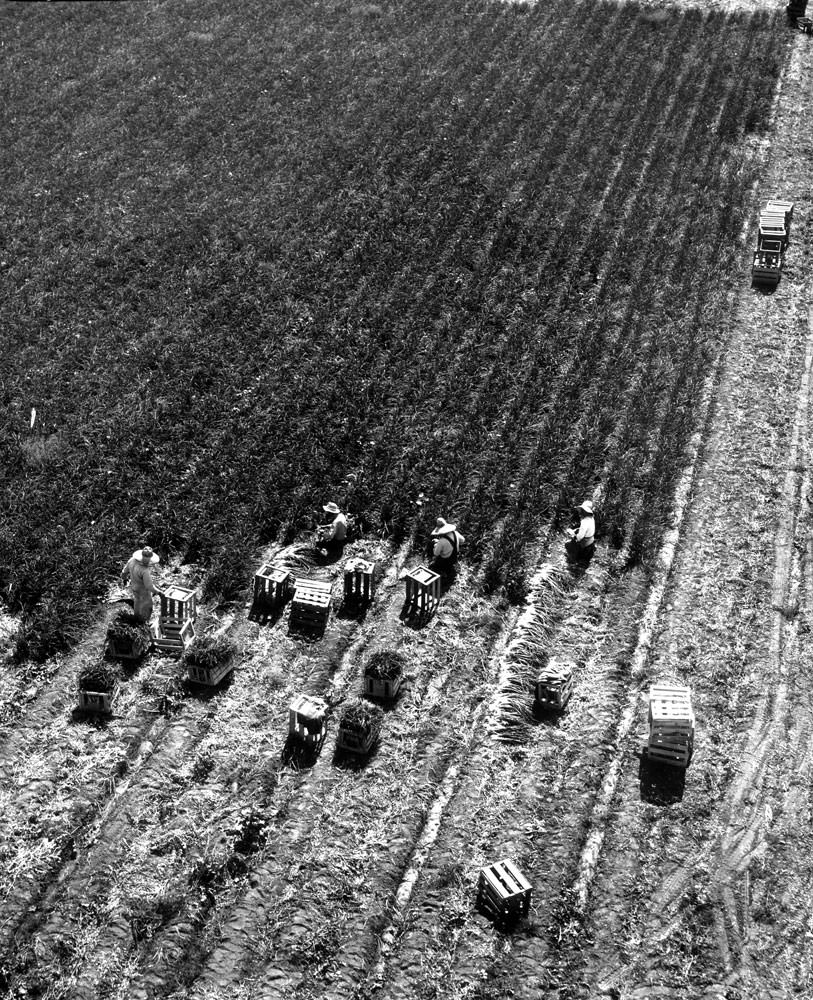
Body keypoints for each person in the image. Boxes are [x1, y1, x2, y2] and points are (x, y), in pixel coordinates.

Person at [121, 545, 160, 624]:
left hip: (134, 587)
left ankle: (136, 618)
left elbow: (123, 572)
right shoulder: (144, 570)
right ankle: (145, 623)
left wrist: (124, 579)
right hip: (144, 591)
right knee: (148, 607)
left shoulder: (131, 560)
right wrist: (159, 592)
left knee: (137, 601)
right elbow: (149, 586)